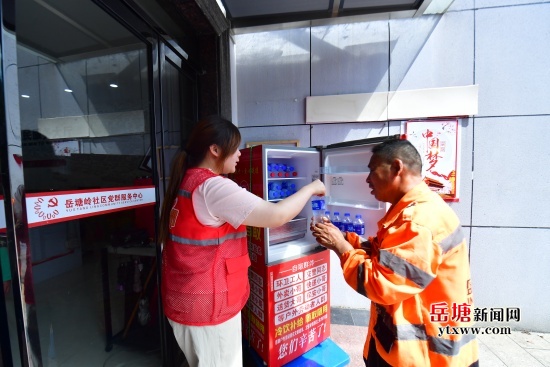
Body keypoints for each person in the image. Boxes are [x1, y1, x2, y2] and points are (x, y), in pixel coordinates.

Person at [158, 116, 325, 367]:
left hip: (189, 300)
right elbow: (276, 216)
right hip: (207, 307)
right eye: (235, 147)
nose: (239, 154)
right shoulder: (213, 187)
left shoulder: (188, 180)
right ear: (215, 150)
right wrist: (312, 187)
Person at [311, 139, 478, 367]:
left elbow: (381, 284)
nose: (368, 179)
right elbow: (390, 259)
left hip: (424, 356)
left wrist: (341, 247)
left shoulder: (417, 222)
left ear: (397, 167)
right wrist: (344, 239)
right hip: (404, 347)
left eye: (372, 170)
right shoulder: (416, 210)